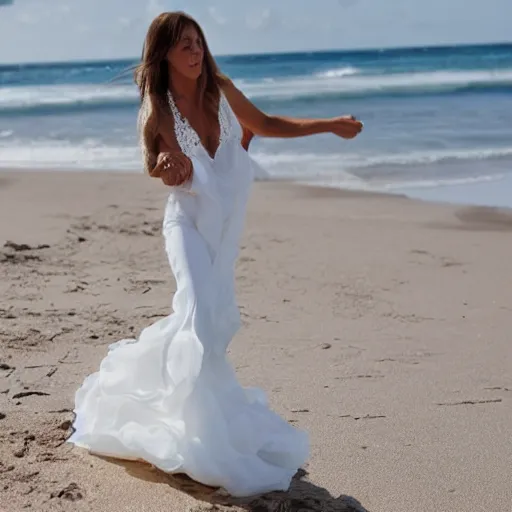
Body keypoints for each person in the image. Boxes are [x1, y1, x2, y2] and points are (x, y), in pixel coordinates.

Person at [68, 11, 363, 498]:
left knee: (209, 322)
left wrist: (329, 125)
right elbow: (158, 166)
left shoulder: (219, 89)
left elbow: (264, 124)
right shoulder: (157, 107)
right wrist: (169, 165)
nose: (195, 51)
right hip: (186, 226)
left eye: (198, 42)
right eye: (184, 44)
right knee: (201, 315)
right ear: (163, 53)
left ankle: (179, 412)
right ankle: (199, 436)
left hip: (223, 229)